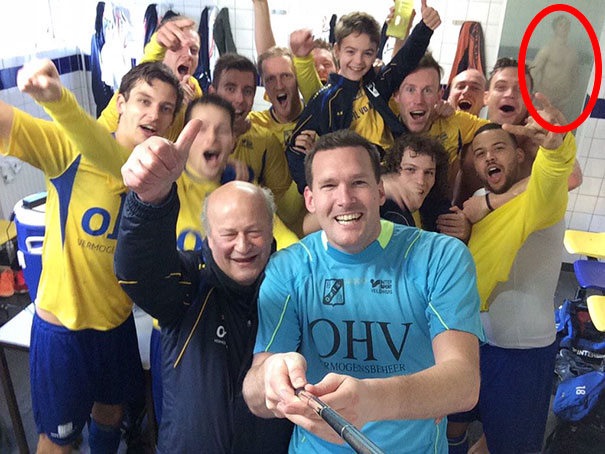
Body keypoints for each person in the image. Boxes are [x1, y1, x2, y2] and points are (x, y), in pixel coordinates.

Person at [242, 129, 484, 453]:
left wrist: (369, 399)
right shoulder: (289, 267)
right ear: (310, 200)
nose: (345, 198)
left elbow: (464, 383)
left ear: (380, 191)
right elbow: (255, 396)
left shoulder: (440, 257)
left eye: (358, 182)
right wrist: (270, 378)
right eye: (329, 185)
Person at [1, 60, 183, 453]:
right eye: (144, 100)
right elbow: (7, 123)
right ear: (120, 103)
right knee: (58, 441)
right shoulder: (71, 148)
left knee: (111, 415)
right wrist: (41, 86)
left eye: (165, 108)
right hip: (64, 330)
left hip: (116, 324)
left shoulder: (162, 175)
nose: (154, 114)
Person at [114, 119, 293, 452]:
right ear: (208, 239)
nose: (243, 246)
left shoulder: (291, 291)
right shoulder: (189, 284)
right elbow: (138, 272)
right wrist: (149, 201)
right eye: (229, 234)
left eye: (254, 232)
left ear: (272, 233)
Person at [447, 100, 576, 454]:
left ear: (519, 155)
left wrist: (557, 148)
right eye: (480, 153)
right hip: (473, 344)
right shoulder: (477, 199)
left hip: (521, 353)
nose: (489, 157)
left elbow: (552, 175)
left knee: (510, 445)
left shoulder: (541, 200)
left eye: (499, 148)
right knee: (450, 429)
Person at [286, 2, 441, 193]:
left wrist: (425, 28)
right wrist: (313, 190)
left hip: (392, 172)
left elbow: (405, 59)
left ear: (375, 52)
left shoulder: (377, 83)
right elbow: (294, 150)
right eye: (351, 52)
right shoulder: (325, 99)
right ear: (337, 51)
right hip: (355, 182)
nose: (358, 61)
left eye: (367, 53)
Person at [98, 15, 202, 142]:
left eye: (194, 50)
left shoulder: (194, 88)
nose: (188, 55)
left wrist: (192, 109)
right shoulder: (139, 84)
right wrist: (158, 43)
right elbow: (150, 60)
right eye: (176, 47)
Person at [380, 134, 468, 241]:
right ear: (394, 171)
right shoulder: (379, 205)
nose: (421, 181)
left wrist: (465, 230)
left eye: (429, 172)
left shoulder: (435, 204)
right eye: (410, 170)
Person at [530, 15, 580, 120]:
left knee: (557, 127)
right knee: (539, 126)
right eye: (561, 24)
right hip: (545, 98)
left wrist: (568, 98)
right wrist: (538, 93)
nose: (565, 27)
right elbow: (532, 73)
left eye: (567, 24)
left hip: (562, 101)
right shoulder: (547, 49)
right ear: (555, 28)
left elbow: (575, 79)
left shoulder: (573, 53)